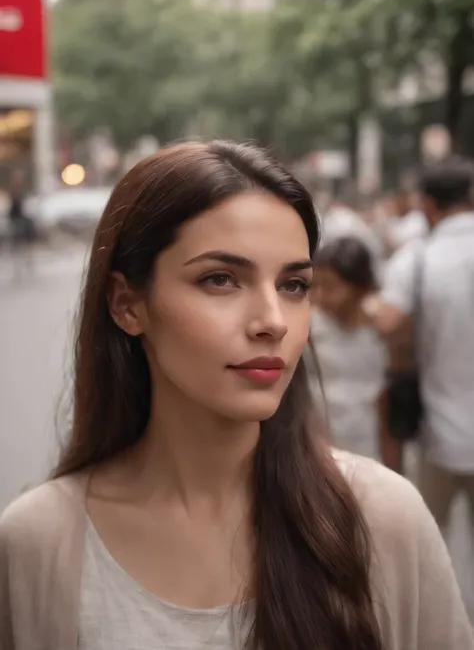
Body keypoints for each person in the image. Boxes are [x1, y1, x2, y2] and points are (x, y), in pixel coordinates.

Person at [0, 142, 472, 650]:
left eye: (293, 285)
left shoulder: (383, 521)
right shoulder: (38, 544)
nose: (272, 321)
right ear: (126, 303)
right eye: (220, 279)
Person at [370, 158, 474, 538]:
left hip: (441, 430)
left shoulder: (417, 260)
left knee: (432, 544)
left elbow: (385, 322)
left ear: (427, 205)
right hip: (443, 429)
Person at [310, 237, 392, 462]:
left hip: (367, 445)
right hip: (321, 446)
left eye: (330, 287)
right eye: (315, 286)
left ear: (359, 287)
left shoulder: (379, 331)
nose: (319, 297)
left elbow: (384, 401)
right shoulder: (311, 329)